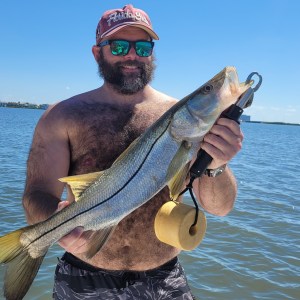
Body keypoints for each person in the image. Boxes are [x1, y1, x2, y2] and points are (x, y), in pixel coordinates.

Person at [23, 4, 243, 299]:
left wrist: (217, 164)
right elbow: (35, 195)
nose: (132, 55)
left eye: (143, 46)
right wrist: (56, 224)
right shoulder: (62, 116)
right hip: (82, 277)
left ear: (152, 52)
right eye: (119, 45)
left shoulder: (184, 119)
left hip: (165, 280)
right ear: (97, 52)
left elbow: (220, 208)